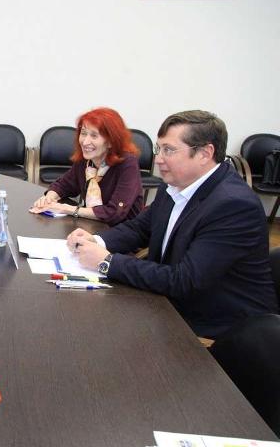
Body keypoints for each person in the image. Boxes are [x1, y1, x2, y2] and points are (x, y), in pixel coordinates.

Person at [69, 110, 277, 338]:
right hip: (171, 301)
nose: (158, 159)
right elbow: (139, 228)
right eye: (158, 149)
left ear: (205, 153)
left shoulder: (233, 206)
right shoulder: (174, 184)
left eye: (168, 150)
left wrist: (107, 262)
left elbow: (184, 280)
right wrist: (96, 240)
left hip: (221, 328)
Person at [30, 107, 143, 225]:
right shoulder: (87, 160)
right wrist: (49, 198)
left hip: (124, 230)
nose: (85, 142)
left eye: (94, 136)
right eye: (83, 133)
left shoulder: (127, 164)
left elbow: (114, 213)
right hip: (92, 226)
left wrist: (66, 209)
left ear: (111, 141)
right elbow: (64, 185)